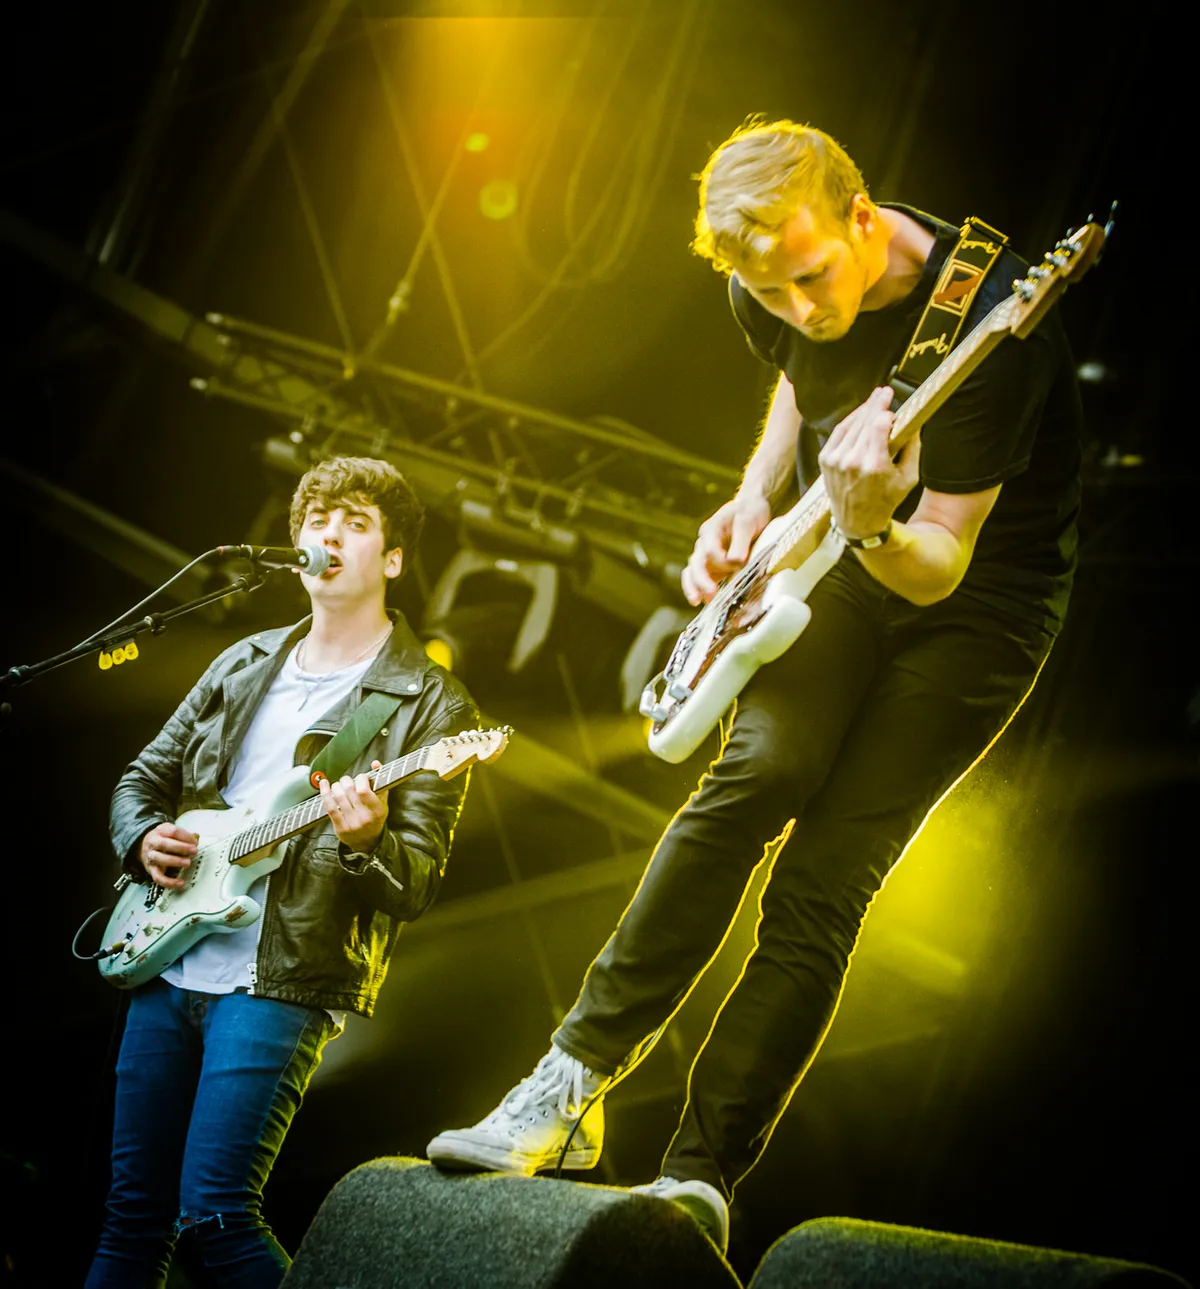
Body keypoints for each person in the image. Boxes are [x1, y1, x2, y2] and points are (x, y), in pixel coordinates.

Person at [425, 119, 1083, 1256]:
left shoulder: (998, 331)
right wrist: (754, 495)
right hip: (839, 545)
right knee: (755, 772)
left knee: (827, 877)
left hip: (975, 603)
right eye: (767, 291)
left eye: (811, 278)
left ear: (864, 219)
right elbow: (800, 380)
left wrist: (866, 524)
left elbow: (940, 560)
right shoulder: (766, 283)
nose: (795, 307)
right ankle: (564, 1086)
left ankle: (701, 1173)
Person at [86, 455, 479, 1288]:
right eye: (316, 521)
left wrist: (365, 839)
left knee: (217, 1215)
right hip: (168, 954)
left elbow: (415, 882)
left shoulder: (433, 703)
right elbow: (141, 779)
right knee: (131, 1217)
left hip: (280, 978)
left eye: (355, 523)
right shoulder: (243, 659)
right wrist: (143, 838)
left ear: (394, 559)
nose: (328, 535)